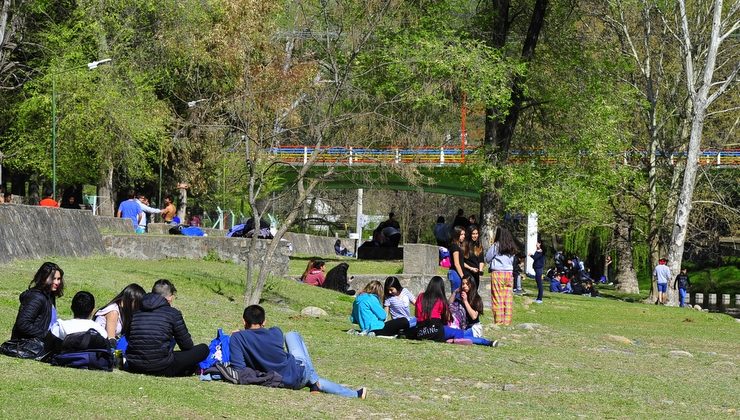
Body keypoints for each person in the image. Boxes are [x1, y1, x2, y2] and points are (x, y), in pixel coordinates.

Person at [220, 304, 367, 399]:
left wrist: (238, 335)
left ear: (243, 320)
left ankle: (351, 393)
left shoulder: (237, 338)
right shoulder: (275, 332)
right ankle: (320, 383)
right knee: (292, 335)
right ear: (264, 321)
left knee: (311, 376)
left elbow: (238, 368)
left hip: (283, 381)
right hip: (299, 372)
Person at [125, 279, 208, 377]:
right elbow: (187, 346)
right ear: (170, 298)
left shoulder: (137, 312)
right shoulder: (173, 313)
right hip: (161, 367)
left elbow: (129, 337)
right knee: (204, 349)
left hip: (134, 365)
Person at [10, 262, 65, 342]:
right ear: (43, 278)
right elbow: (22, 324)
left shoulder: (49, 295)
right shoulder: (36, 298)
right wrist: (46, 335)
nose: (56, 282)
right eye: (53, 278)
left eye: (58, 279)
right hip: (31, 345)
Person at [484, 226, 518, 326]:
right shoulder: (512, 246)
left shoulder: (496, 246)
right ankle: (507, 321)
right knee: (508, 298)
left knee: (497, 297)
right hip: (509, 273)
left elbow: (487, 258)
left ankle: (499, 321)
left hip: (497, 273)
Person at [448, 277, 496, 346]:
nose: (464, 286)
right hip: (464, 328)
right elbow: (449, 304)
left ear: (472, 285)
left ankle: (486, 342)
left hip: (474, 328)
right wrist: (455, 293)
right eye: (463, 284)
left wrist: (465, 301)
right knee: (456, 334)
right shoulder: (459, 298)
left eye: (467, 284)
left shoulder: (476, 299)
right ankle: (463, 340)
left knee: (459, 335)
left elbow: (474, 316)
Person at [448, 226, 466, 292]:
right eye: (461, 234)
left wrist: (471, 268)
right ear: (456, 235)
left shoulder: (458, 246)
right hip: (455, 273)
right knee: (456, 296)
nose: (463, 236)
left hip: (457, 273)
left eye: (464, 234)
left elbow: (461, 262)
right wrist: (463, 277)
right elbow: (456, 263)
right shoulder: (455, 246)